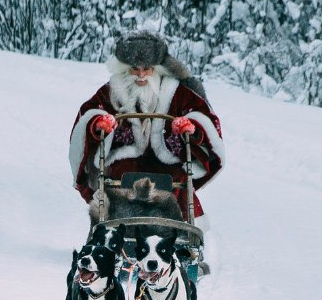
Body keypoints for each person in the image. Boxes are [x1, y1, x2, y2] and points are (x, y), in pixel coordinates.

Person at [68, 30, 224, 229]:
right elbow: (90, 112)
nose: (141, 75)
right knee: (113, 179)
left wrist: (191, 126)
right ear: (125, 68)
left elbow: (200, 113)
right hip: (123, 162)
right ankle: (113, 227)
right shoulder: (113, 90)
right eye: (135, 69)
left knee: (178, 181)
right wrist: (98, 123)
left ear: (157, 69)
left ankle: (181, 229)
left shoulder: (176, 91)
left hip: (165, 162)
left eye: (147, 69)